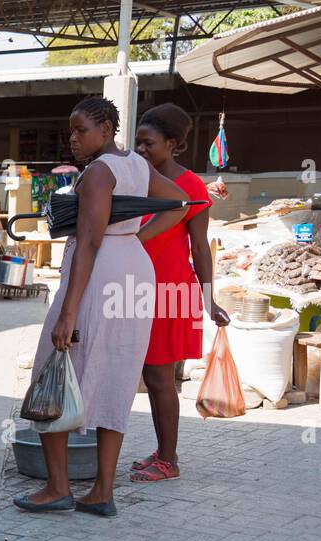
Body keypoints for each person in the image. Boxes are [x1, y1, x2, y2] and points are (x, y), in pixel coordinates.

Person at [15, 96, 190, 518]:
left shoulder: (98, 172)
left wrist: (67, 313)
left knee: (52, 371)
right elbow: (181, 203)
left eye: (81, 130)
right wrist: (134, 240)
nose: (73, 139)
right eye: (71, 131)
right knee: (117, 374)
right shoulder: (136, 164)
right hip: (133, 271)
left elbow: (90, 243)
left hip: (99, 275)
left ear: (108, 129)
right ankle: (101, 491)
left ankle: (57, 488)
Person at [132, 103, 229, 482]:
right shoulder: (137, 179)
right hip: (133, 291)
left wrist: (209, 300)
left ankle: (169, 460)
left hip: (170, 293)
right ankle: (162, 449)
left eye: (148, 143)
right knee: (147, 376)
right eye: (137, 143)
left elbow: (201, 248)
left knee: (160, 379)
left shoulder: (189, 186)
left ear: (171, 144)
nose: (140, 150)